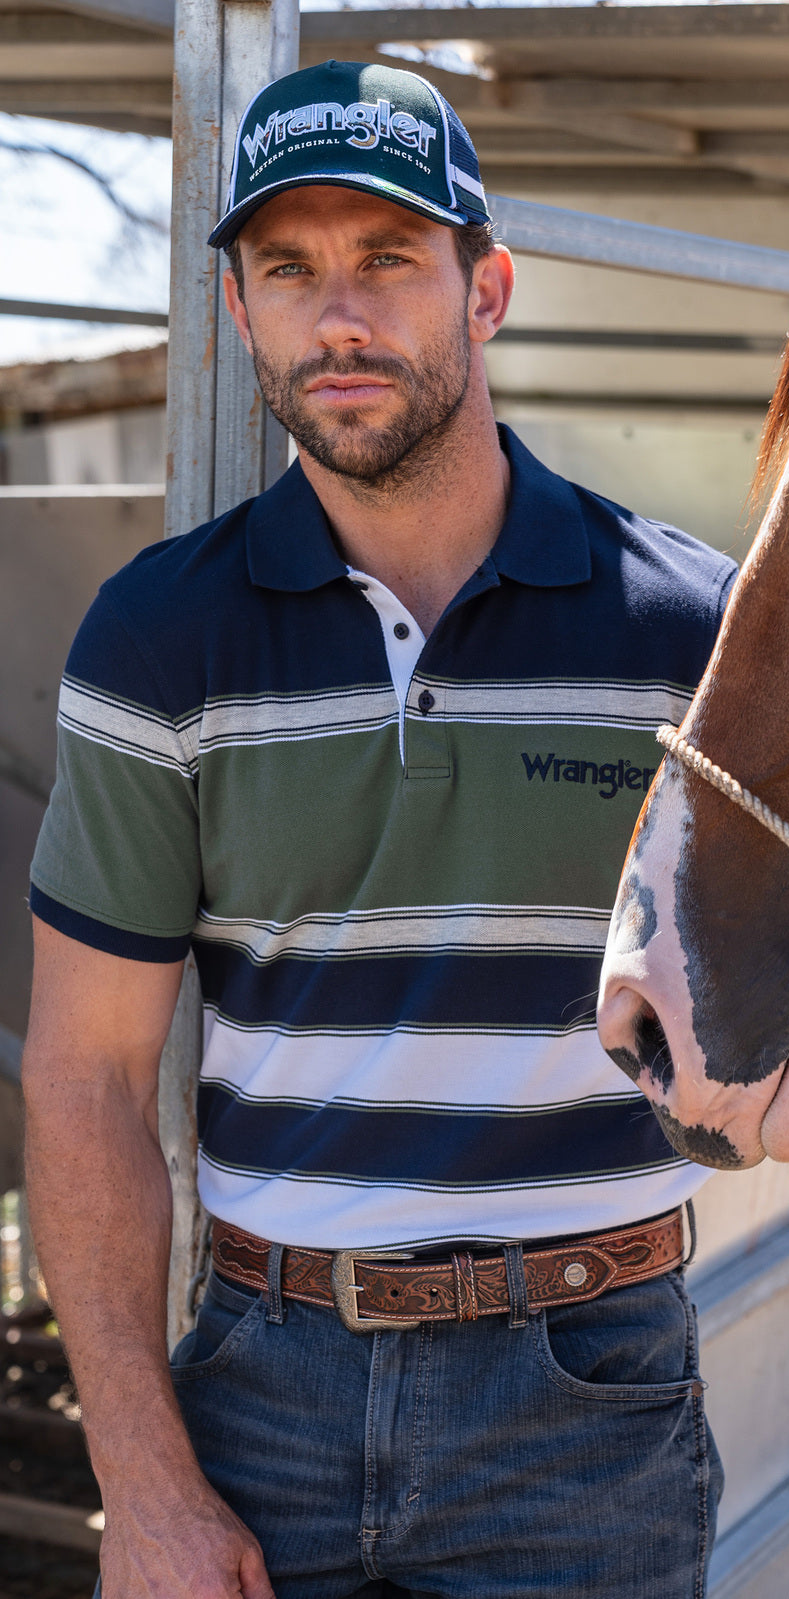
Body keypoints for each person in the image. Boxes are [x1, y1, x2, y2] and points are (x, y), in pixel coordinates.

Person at [21, 60, 737, 1599]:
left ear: (486, 288)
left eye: (386, 260)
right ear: (239, 316)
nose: (336, 318)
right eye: (288, 270)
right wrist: (142, 1485)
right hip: (261, 1394)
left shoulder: (692, 633)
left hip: (585, 1408)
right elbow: (83, 1081)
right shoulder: (161, 639)